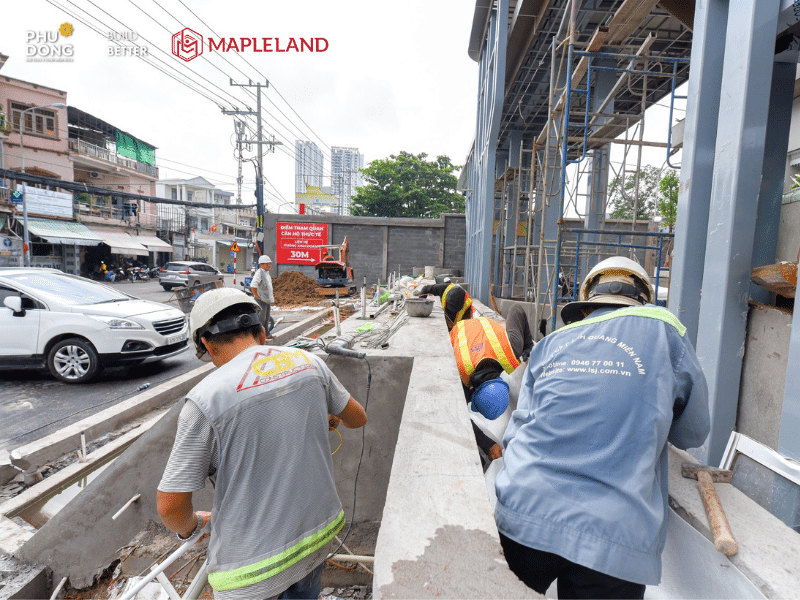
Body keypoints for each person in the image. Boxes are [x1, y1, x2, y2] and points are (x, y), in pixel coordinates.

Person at [494, 256, 710, 599]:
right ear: (642, 299)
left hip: (524, 509)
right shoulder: (667, 332)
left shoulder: (551, 343)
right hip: (614, 533)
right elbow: (692, 433)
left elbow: (519, 429)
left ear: (587, 304)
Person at [157, 288, 366, 600]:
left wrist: (191, 525)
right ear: (262, 333)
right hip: (313, 543)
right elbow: (357, 418)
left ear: (206, 344)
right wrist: (325, 416)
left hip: (250, 573)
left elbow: (171, 505)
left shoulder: (206, 399)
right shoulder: (309, 362)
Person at [450, 304, 533, 464]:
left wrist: (528, 349)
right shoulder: (458, 375)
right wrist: (487, 445)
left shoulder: (512, 350)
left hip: (483, 330)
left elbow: (517, 310)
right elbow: (457, 417)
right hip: (459, 331)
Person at [250, 254, 274, 339]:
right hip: (261, 300)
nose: (269, 265)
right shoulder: (259, 273)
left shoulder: (267, 273)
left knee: (267, 318)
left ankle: (266, 334)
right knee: (261, 319)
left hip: (266, 300)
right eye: (267, 264)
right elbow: (253, 285)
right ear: (261, 265)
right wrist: (257, 296)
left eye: (269, 263)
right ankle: (259, 336)